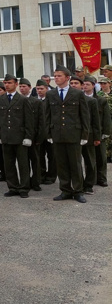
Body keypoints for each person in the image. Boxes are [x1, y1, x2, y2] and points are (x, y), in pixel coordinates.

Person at [45, 65, 90, 203]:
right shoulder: (50, 94)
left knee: (75, 164)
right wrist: (48, 134)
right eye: (55, 75)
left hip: (74, 134)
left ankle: (78, 191)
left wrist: (84, 135)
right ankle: (65, 190)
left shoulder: (77, 93)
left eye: (59, 75)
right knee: (61, 164)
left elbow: (84, 115)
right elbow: (47, 115)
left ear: (67, 77)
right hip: (57, 134)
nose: (56, 78)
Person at [0, 74, 34, 199]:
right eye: (5, 83)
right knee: (8, 164)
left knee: (23, 164)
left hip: (20, 137)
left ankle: (24, 188)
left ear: (16, 84)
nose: (7, 85)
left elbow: (29, 120)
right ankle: (13, 187)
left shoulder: (23, 99)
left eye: (9, 83)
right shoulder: (0, 99)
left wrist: (28, 136)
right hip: (6, 136)